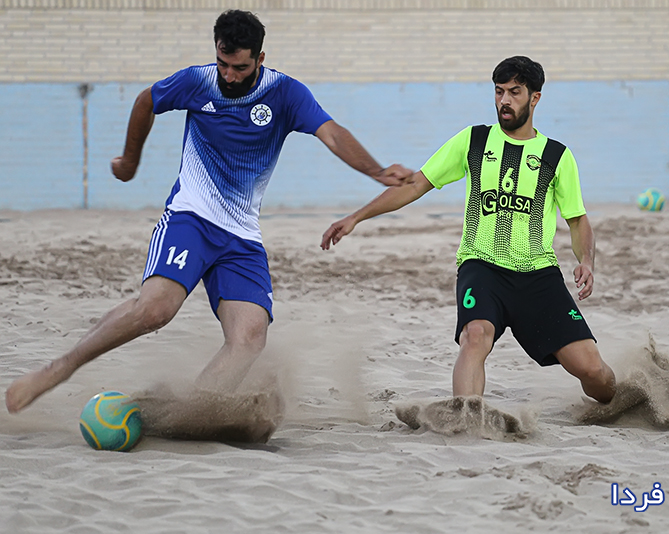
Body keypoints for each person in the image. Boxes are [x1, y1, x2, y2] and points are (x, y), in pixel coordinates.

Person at [5, 9, 412, 414]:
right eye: (223, 63)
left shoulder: (286, 93)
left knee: (250, 337)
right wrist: (130, 162)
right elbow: (146, 101)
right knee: (155, 310)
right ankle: (59, 368)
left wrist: (376, 171)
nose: (229, 76)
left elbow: (333, 134)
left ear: (260, 59)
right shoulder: (197, 81)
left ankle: (190, 412)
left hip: (242, 236)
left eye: (240, 67)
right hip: (190, 218)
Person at [321, 56, 616, 406]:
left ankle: (628, 398)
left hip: (538, 276)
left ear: (535, 98)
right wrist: (356, 217)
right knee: (475, 336)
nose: (504, 100)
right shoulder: (474, 140)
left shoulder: (556, 155)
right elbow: (415, 185)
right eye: (499, 92)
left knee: (593, 372)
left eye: (515, 92)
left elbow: (577, 220)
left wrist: (586, 261)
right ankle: (466, 417)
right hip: (482, 266)